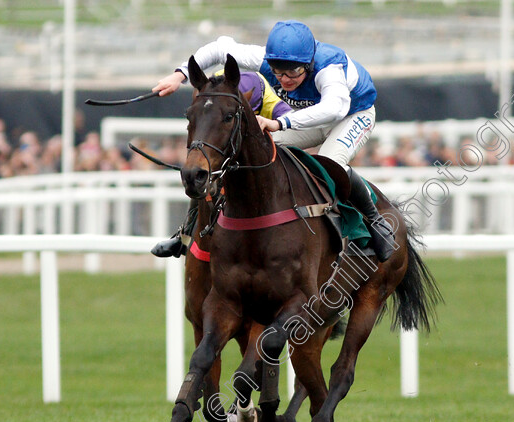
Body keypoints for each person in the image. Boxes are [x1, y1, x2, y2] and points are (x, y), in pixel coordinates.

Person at [152, 20, 395, 262]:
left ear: (309, 64)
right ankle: (186, 233)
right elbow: (219, 48)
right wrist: (179, 74)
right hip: (314, 115)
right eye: (278, 71)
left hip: (352, 114)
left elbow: (334, 109)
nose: (285, 79)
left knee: (329, 161)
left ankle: (375, 222)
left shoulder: (328, 68)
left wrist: (280, 123)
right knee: (257, 151)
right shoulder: (265, 59)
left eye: (294, 71)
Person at [151, 70, 293, 257]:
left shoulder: (272, 102)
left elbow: (295, 127)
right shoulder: (216, 83)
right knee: (201, 174)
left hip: (268, 146)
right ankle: (184, 235)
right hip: (227, 147)